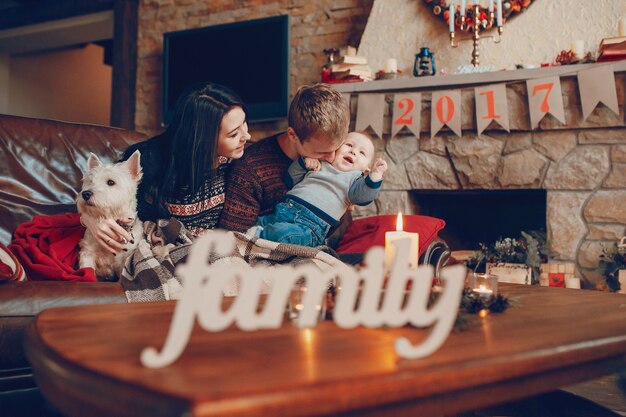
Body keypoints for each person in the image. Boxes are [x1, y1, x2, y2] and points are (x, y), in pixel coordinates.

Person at [84, 82, 251, 253]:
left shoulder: (242, 160)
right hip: (163, 249)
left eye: (244, 122)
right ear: (202, 139)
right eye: (234, 134)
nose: (247, 135)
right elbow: (110, 196)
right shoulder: (148, 160)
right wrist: (90, 219)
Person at [217, 83, 350, 240]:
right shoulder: (249, 171)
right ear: (293, 135)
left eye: (337, 148)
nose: (332, 158)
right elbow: (234, 239)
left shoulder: (335, 158)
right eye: (322, 152)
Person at [252, 131, 387, 247]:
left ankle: (258, 236)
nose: (353, 151)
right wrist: (304, 163)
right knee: (260, 220)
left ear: (366, 170)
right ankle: (249, 232)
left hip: (310, 226)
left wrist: (375, 175)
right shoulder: (320, 163)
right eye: (349, 145)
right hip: (285, 208)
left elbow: (362, 197)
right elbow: (290, 179)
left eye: (362, 153)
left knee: (283, 235)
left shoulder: (356, 180)